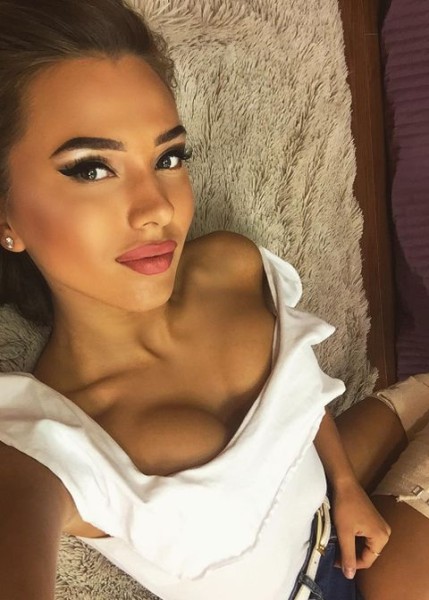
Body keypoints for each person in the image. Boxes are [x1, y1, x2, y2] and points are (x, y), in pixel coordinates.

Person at [0, 1, 427, 599]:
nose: (158, 207)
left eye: (168, 158)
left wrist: (346, 487)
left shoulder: (231, 264)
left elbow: (297, 391)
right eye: (92, 169)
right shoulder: (42, 449)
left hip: (347, 521)